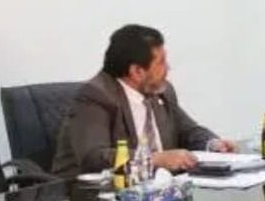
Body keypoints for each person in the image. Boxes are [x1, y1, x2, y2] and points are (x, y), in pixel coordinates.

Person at [52, 24, 236, 177]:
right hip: (86, 197)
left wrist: (213, 144)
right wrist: (154, 159)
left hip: (155, 191)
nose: (168, 68)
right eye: (161, 62)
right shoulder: (96, 96)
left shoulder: (161, 91)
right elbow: (94, 157)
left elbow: (188, 130)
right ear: (137, 71)